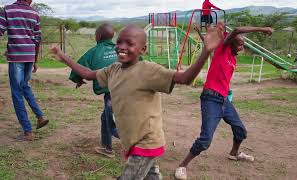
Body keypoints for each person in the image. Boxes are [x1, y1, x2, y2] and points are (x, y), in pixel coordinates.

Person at [50, 22, 225, 179]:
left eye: (129, 43)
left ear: (143, 50)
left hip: (146, 142)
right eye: (119, 42)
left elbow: (185, 78)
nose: (122, 47)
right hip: (131, 141)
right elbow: (88, 74)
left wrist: (206, 51)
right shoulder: (113, 70)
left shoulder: (148, 71)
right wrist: (63, 57)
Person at [175, 26, 273, 180]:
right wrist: (262, 29)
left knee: (241, 131)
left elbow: (212, 45)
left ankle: (234, 154)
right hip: (210, 99)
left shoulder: (232, 57)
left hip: (224, 100)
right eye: (239, 44)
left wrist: (202, 35)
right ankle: (182, 166)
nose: (241, 48)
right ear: (230, 43)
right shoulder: (223, 49)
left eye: (243, 45)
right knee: (205, 140)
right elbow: (236, 30)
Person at [0, 0, 48, 141]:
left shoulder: (8, 9)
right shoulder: (34, 13)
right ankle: (40, 117)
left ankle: (27, 132)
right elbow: (38, 38)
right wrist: (35, 60)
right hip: (30, 55)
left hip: (16, 57)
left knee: (16, 92)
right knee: (25, 86)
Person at [68, 23, 119, 158]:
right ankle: (107, 148)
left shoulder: (94, 52)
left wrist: (77, 79)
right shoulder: (120, 49)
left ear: (98, 36)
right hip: (129, 90)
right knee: (106, 118)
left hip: (112, 94)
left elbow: (78, 67)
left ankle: (140, 141)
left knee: (112, 123)